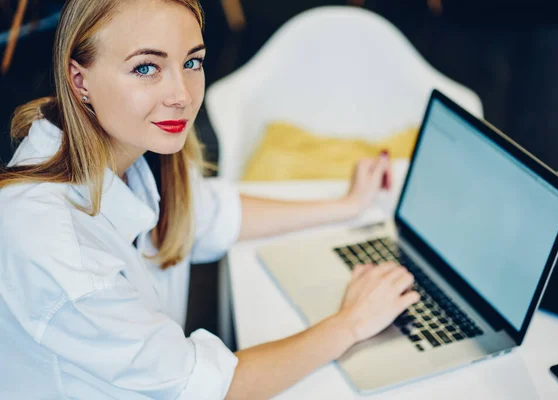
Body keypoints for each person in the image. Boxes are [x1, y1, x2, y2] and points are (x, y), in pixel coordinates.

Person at [0, 0, 419, 398]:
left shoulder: (123, 151)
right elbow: (212, 389)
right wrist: (351, 323)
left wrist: (346, 205)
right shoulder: (56, 246)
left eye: (191, 62)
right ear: (80, 80)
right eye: (146, 67)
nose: (181, 94)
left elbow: (212, 214)